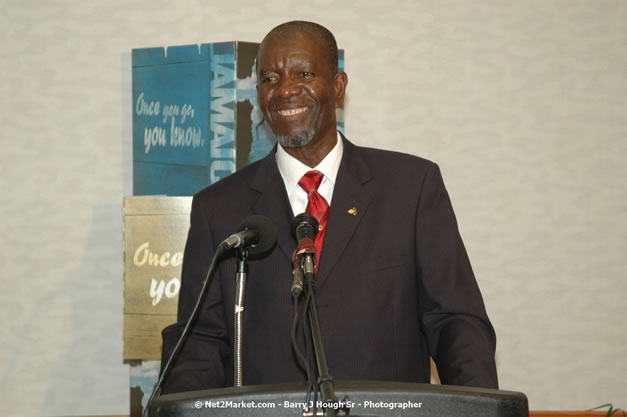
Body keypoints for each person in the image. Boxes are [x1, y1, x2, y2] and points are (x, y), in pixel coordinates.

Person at [160, 20, 498, 394]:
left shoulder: (411, 188)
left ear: (338, 88)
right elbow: (200, 345)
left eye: (304, 73)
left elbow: (455, 323)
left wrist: (480, 407)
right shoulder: (218, 208)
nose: (285, 90)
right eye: (270, 79)